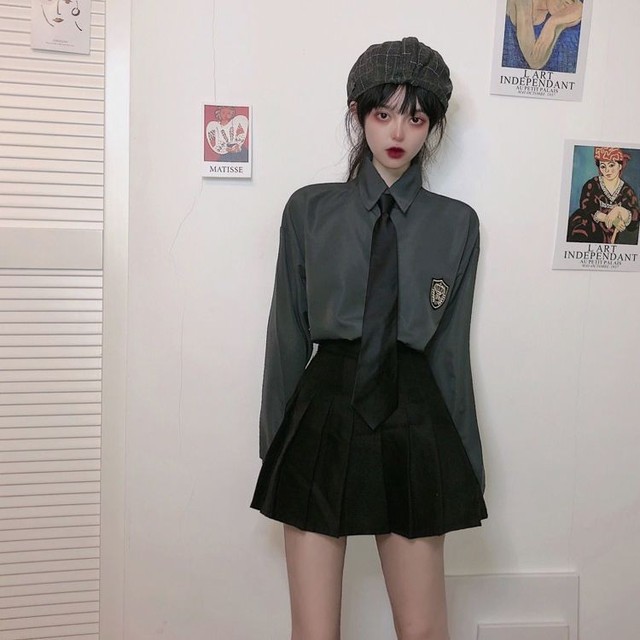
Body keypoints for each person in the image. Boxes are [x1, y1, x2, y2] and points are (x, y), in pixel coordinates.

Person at [251, 37, 487, 640]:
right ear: (358, 114)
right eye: (384, 113)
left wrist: (465, 462)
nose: (398, 132)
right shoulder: (308, 211)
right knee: (314, 632)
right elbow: (287, 333)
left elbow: (450, 352)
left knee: (424, 631)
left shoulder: (457, 224)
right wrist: (275, 446)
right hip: (323, 411)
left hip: (414, 414)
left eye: (417, 117)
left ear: (432, 126)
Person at [567, 147, 640, 245]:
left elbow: (635, 218)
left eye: (611, 165)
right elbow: (587, 209)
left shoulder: (627, 191)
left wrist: (620, 211)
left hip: (614, 234)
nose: (607, 170)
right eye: (603, 166)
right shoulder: (592, 185)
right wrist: (609, 219)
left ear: (620, 166)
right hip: (590, 228)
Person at [503, 0, 583, 72]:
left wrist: (558, 25)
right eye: (565, 2)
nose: (563, 10)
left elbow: (580, 8)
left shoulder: (548, 13)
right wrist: (552, 23)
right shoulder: (523, 2)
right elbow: (534, 62)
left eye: (568, 10)